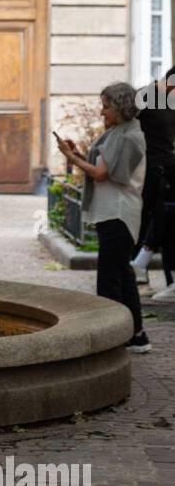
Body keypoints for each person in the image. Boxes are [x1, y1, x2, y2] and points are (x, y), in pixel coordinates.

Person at [55, 82, 150, 352]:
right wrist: (78, 155)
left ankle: (114, 336)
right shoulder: (120, 132)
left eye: (106, 106)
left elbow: (101, 174)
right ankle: (136, 335)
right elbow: (102, 167)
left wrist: (70, 158)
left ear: (120, 107)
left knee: (111, 278)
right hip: (113, 212)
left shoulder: (129, 136)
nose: (101, 112)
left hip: (118, 213)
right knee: (121, 274)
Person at [130, 64, 175, 302]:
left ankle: (169, 281)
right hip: (147, 172)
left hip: (168, 169)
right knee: (147, 220)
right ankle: (139, 275)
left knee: (167, 223)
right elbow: (125, 123)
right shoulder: (146, 97)